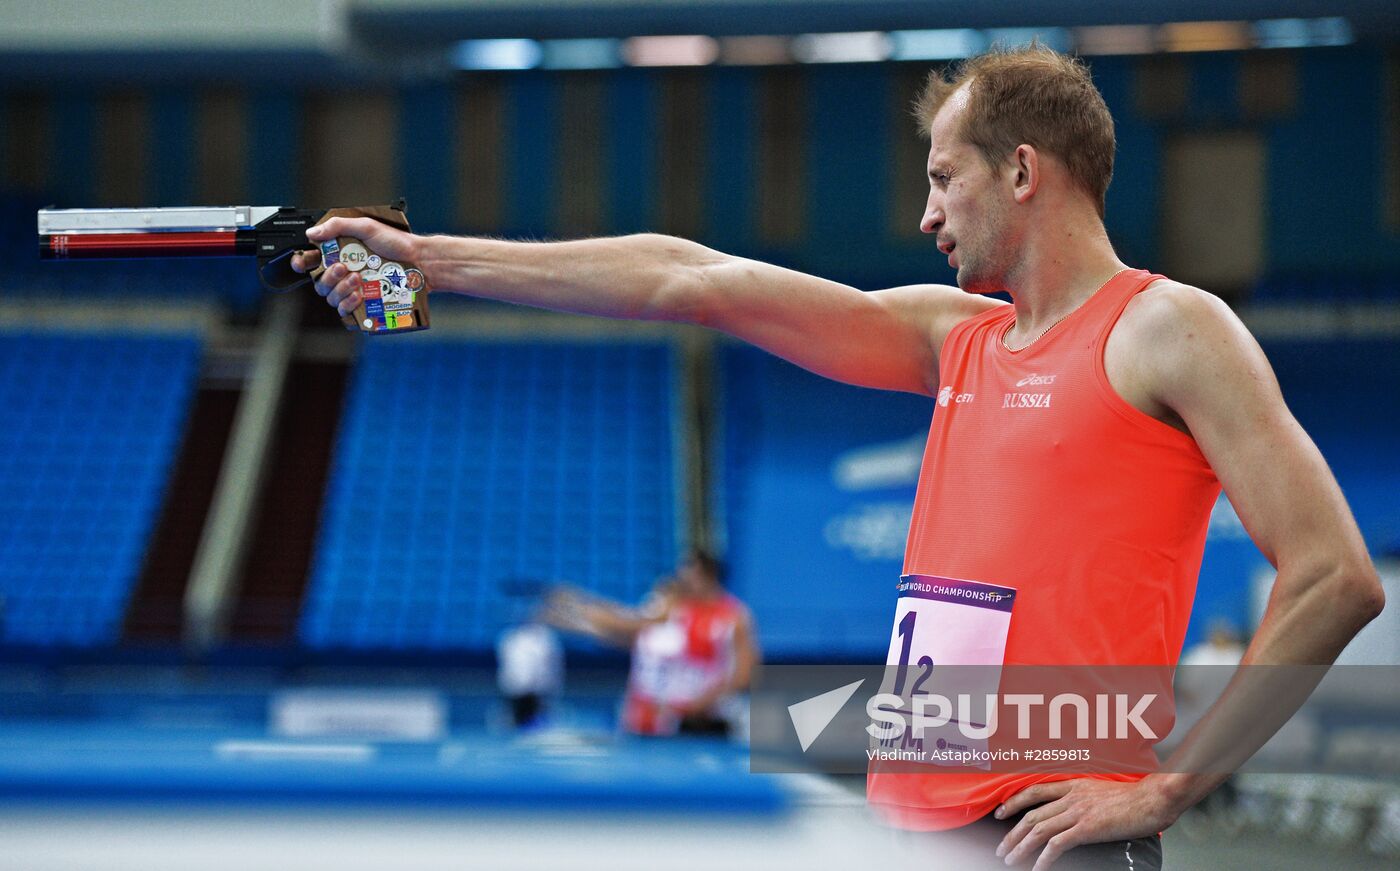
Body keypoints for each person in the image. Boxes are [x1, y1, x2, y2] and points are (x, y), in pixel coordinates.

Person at [293, 46, 1384, 870]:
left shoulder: (1166, 330)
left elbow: (1333, 576)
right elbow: (689, 279)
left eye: (939, 178)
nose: (921, 215)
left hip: (1046, 835)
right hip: (910, 824)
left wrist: (1166, 785)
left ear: (1018, 171)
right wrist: (426, 260)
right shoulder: (947, 336)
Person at [546, 551, 758, 737]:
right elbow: (632, 626)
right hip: (663, 712)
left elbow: (743, 673)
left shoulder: (734, 616)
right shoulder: (678, 609)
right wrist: (579, 610)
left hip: (708, 715)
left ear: (707, 576)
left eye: (689, 573)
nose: (683, 579)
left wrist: (703, 703)